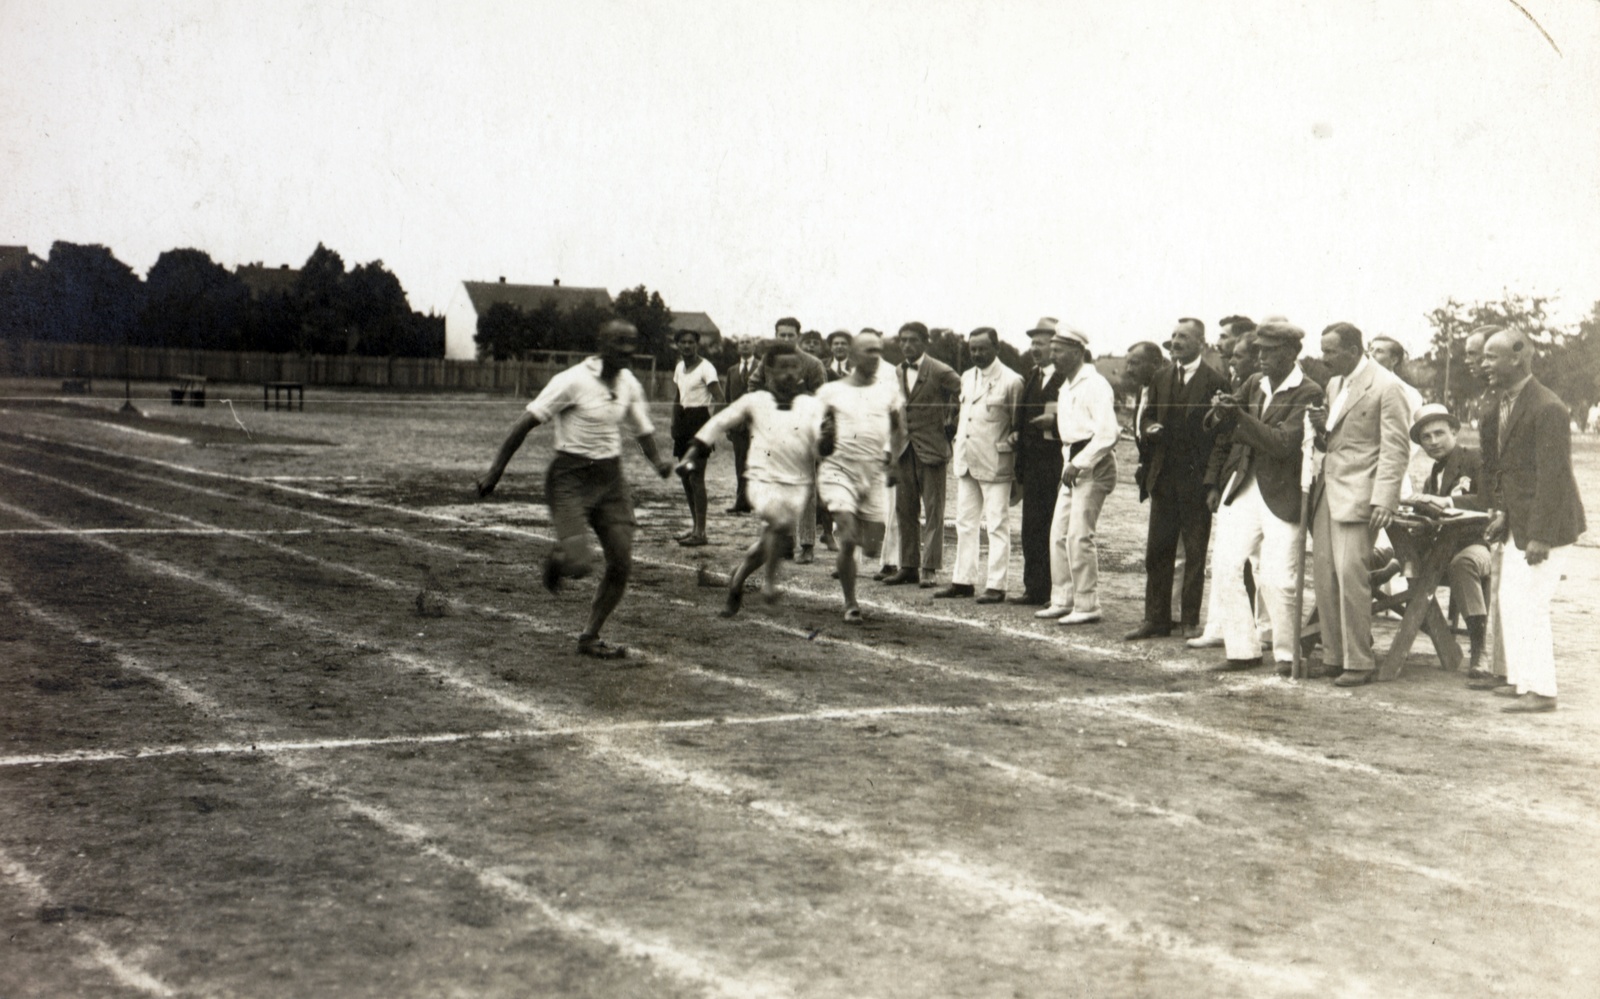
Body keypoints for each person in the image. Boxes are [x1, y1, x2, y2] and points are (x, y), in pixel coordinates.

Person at [475, 319, 673, 660]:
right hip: (570, 478)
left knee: (621, 563)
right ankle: (558, 559)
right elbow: (525, 423)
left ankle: (590, 636)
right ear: (602, 343)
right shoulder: (571, 380)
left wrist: (659, 463)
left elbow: (642, 430)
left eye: (631, 342)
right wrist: (495, 472)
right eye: (618, 342)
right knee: (579, 565)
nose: (626, 349)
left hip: (611, 481)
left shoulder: (629, 384)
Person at [1204, 322, 1325, 671]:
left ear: (1292, 353)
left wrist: (1238, 415)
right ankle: (1243, 650)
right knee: (1225, 566)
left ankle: (1288, 655)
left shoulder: (1309, 390)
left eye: (1270, 351)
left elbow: (1283, 443)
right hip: (1245, 483)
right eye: (1259, 349)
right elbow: (1222, 424)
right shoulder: (1255, 382)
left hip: (1285, 492)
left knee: (1277, 578)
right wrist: (1221, 408)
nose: (1261, 356)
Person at [1477, 328, 1586, 713]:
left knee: (1532, 605)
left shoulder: (1547, 407)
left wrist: (1540, 536)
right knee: (1510, 601)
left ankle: (1543, 690)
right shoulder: (1502, 402)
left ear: (1518, 357)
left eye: (1492, 356)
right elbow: (1509, 468)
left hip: (1548, 526)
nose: (1483, 363)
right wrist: (1503, 512)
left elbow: (1553, 476)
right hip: (1519, 521)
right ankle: (1521, 680)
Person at [679, 342, 828, 616]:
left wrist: (829, 439)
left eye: (794, 367)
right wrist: (691, 453)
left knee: (770, 540)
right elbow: (719, 422)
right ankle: (769, 585)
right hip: (762, 479)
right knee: (779, 525)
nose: (789, 373)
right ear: (768, 371)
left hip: (798, 483)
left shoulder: (811, 405)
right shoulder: (755, 400)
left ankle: (736, 583)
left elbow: (822, 445)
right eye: (781, 367)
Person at [1307, 321, 1413, 685]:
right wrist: (1322, 427)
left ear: (1353, 350)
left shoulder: (1387, 387)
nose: (1323, 358)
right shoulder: (1334, 384)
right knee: (1325, 575)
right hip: (1327, 491)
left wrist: (1385, 499)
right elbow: (1332, 442)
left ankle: (1359, 661)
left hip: (1360, 495)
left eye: (1330, 351)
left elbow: (1396, 449)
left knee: (1352, 577)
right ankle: (1335, 656)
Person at [1127, 317, 1230, 640]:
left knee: (1195, 554)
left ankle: (1188, 621)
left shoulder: (1217, 381)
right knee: (1157, 551)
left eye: (1183, 337)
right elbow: (1148, 416)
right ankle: (1155, 618)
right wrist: (1149, 428)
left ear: (1201, 342)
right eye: (1173, 336)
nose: (1175, 342)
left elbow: (1220, 436)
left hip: (1195, 481)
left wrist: (1211, 481)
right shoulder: (1160, 376)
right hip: (1163, 478)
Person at [815, 331, 906, 622]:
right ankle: (850, 602)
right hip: (838, 470)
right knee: (847, 532)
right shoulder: (831, 391)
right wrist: (821, 444)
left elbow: (899, 428)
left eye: (878, 351)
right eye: (868, 350)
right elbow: (811, 429)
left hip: (874, 472)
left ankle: (856, 543)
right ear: (853, 355)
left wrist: (893, 462)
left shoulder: (888, 391)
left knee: (871, 545)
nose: (875, 356)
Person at [936, 327, 1024, 603]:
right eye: (972, 349)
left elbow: (1017, 426)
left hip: (996, 462)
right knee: (965, 523)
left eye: (982, 349)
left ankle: (997, 585)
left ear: (996, 348)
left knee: (997, 524)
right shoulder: (966, 377)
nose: (976, 354)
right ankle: (963, 580)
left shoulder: (1012, 381)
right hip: (966, 461)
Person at [1039, 320, 1119, 625]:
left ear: (1076, 351)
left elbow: (1107, 433)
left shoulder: (1095, 384)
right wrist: (1070, 464)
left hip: (1094, 465)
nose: (1053, 355)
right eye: (1052, 349)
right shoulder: (1067, 385)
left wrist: (1080, 462)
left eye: (1058, 350)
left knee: (1079, 535)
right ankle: (1063, 598)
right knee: (1058, 534)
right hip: (1072, 464)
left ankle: (1087, 604)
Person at [1405, 404, 1492, 673]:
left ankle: (1479, 650)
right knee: (1398, 557)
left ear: (1454, 430)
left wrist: (1445, 500)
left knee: (1462, 565)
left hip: (1478, 544)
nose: (1433, 442)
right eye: (1426, 438)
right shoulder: (1434, 473)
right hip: (1442, 547)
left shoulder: (1476, 458)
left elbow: (1489, 501)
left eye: (1439, 433)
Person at [883, 321, 961, 588]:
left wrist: (952, 423)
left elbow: (965, 394)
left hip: (932, 449)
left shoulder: (940, 370)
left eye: (913, 340)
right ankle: (908, 566)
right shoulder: (897, 370)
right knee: (905, 510)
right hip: (904, 449)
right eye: (902, 340)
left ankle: (929, 567)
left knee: (934, 511)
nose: (906, 345)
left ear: (925, 342)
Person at [750, 317, 828, 562]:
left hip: (803, 432)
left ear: (798, 337)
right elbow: (753, 385)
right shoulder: (767, 361)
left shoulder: (813, 364)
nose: (785, 340)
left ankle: (807, 544)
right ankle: (784, 541)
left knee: (805, 488)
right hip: (774, 432)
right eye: (781, 335)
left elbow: (823, 398)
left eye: (789, 335)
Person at [1014, 323, 1069, 606]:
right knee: (1031, 528)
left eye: (1042, 343)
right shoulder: (1033, 376)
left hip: (1057, 466)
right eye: (1033, 343)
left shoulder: (1066, 378)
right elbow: (1022, 416)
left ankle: (1053, 591)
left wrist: (1055, 424)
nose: (1035, 349)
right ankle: (1033, 588)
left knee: (1055, 530)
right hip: (1032, 466)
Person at [670, 327, 724, 547]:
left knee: (696, 478)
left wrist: (711, 427)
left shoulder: (706, 367)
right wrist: (673, 422)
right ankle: (694, 528)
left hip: (699, 421)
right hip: (682, 422)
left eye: (691, 342)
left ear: (697, 344)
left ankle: (701, 532)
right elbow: (677, 396)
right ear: (678, 345)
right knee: (685, 476)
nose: (687, 346)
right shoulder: (679, 368)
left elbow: (720, 399)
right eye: (683, 342)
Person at [724, 336, 757, 514]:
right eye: (741, 342)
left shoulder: (761, 367)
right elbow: (728, 400)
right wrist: (728, 424)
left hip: (757, 425)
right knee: (740, 463)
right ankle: (741, 500)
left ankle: (755, 499)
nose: (745, 345)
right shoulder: (732, 370)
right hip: (737, 426)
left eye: (748, 342)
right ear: (738, 348)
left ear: (754, 346)